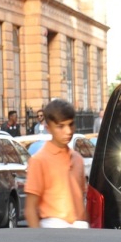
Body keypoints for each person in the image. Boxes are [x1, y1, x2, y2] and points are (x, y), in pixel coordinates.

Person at [23, 98, 87, 229]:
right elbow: (30, 210)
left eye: (71, 124)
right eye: (60, 126)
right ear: (48, 128)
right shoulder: (39, 161)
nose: (68, 131)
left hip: (81, 235)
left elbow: (81, 202)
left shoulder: (78, 159)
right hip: (53, 235)